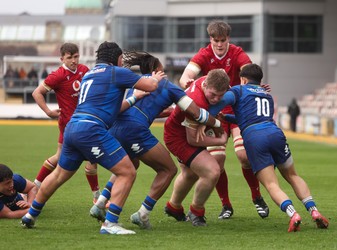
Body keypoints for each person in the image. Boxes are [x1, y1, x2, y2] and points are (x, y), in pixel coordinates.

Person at [21, 41, 164, 235]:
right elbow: (151, 85)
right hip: (91, 130)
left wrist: (134, 97)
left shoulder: (89, 74)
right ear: (118, 59)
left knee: (59, 175)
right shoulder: (115, 72)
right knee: (128, 171)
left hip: (72, 127)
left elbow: (113, 110)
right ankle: (110, 223)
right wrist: (155, 76)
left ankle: (31, 215)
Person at [90, 50, 224, 229]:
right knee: (168, 169)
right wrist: (216, 123)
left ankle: (100, 203)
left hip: (116, 126)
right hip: (134, 130)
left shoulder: (136, 82)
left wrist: (169, 111)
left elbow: (148, 107)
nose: (165, 74)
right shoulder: (168, 86)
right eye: (162, 70)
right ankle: (142, 213)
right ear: (156, 70)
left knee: (130, 164)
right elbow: (196, 113)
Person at [206, 64, 329, 232]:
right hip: (276, 133)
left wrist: (205, 114)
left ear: (243, 79)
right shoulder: (267, 95)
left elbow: (217, 103)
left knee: (271, 184)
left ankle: (293, 214)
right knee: (293, 175)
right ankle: (314, 211)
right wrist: (227, 117)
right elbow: (252, 116)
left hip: (255, 138)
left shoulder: (237, 90)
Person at [179, 19, 269, 219]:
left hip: (237, 111)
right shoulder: (204, 54)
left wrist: (256, 87)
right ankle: (226, 205)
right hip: (214, 112)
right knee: (217, 163)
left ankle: (256, 197)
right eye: (215, 40)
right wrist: (188, 81)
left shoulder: (237, 53)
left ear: (228, 38)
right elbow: (186, 75)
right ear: (210, 39)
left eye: (222, 40)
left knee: (244, 156)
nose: (219, 44)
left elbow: (248, 72)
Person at [31, 43, 100, 204]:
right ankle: (96, 197)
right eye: (70, 58)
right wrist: (48, 111)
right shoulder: (58, 75)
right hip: (68, 124)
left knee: (66, 157)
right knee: (90, 157)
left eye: (76, 57)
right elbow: (37, 92)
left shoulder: (84, 70)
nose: (74, 61)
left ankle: (36, 185)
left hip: (85, 122)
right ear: (62, 59)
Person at [164, 69, 230, 226]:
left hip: (180, 131)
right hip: (178, 137)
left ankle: (174, 207)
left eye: (220, 96)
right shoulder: (197, 100)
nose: (216, 99)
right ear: (205, 84)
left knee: (190, 174)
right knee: (212, 171)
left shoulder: (212, 80)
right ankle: (196, 212)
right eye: (213, 95)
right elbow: (193, 140)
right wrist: (220, 140)